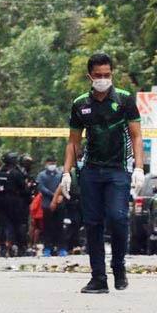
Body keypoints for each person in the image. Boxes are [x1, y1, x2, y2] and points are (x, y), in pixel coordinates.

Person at [62, 53, 144, 293]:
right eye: (98, 75)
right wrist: (66, 173)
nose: (103, 79)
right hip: (90, 171)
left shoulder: (125, 100)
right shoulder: (80, 104)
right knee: (92, 223)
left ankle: (118, 266)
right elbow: (73, 141)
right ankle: (98, 277)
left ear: (112, 74)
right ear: (90, 76)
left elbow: (137, 135)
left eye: (107, 75)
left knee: (118, 218)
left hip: (118, 169)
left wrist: (139, 168)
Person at [0, 153, 29, 257]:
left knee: (2, 226)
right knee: (18, 225)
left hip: (0, 202)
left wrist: (0, 191)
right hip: (14, 202)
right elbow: (24, 189)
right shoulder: (16, 173)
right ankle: (21, 248)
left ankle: (3, 248)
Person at [36, 157, 65, 257]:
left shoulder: (60, 174)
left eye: (53, 163)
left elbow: (64, 185)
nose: (52, 165)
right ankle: (48, 248)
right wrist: (54, 195)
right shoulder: (41, 175)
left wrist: (60, 195)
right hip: (47, 204)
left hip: (59, 204)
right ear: (46, 164)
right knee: (47, 227)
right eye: (50, 163)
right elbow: (41, 187)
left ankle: (61, 248)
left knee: (59, 226)